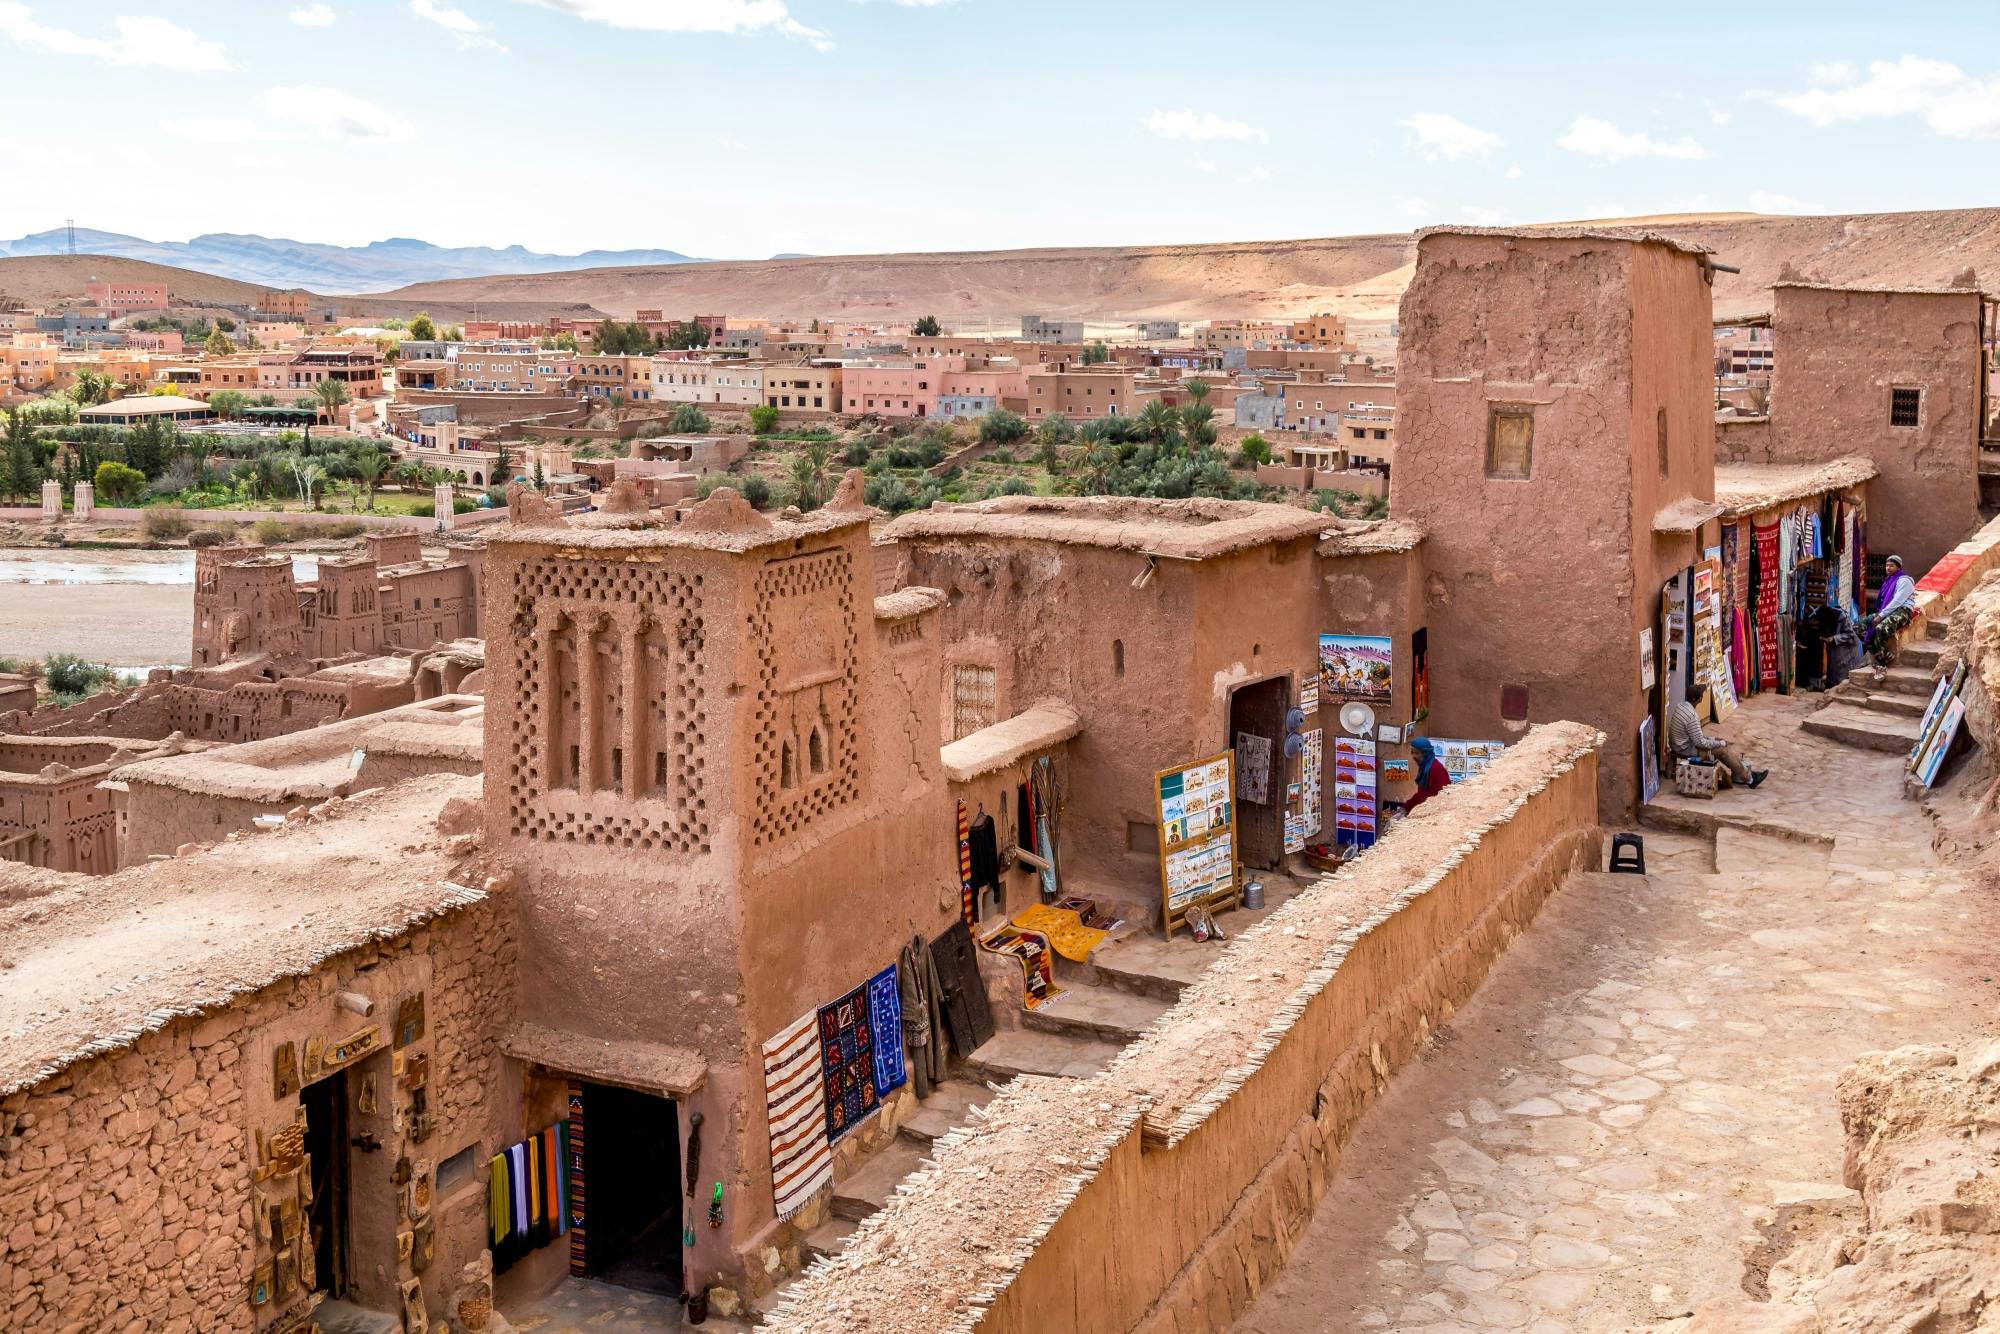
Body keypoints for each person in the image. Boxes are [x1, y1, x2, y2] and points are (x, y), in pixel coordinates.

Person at [1668, 681, 1767, 789]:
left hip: (1680, 745)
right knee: (1722, 750)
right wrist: (1719, 743)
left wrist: (1713, 739)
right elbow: (1700, 743)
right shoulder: (1692, 716)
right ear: (1699, 699)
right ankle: (1750, 779)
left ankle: (1744, 773)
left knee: (1719, 745)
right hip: (1685, 749)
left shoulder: (1680, 706)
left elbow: (1695, 735)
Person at [1864, 555, 1917, 665]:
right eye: (1887, 565)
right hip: (1889, 611)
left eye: (1891, 566)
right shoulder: (1888, 581)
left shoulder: (1904, 581)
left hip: (1902, 611)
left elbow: (1897, 602)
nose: (1888, 568)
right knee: (1860, 626)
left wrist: (1880, 616)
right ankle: (1878, 654)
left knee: (1880, 628)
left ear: (1898, 567)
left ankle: (1882, 662)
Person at [1402, 736, 1452, 812]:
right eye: (1412, 752)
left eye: (1416, 753)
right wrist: (1406, 807)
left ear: (1425, 753)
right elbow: (1422, 794)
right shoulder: (1424, 768)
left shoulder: (1436, 768)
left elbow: (1445, 794)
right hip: (1424, 809)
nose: (1413, 756)